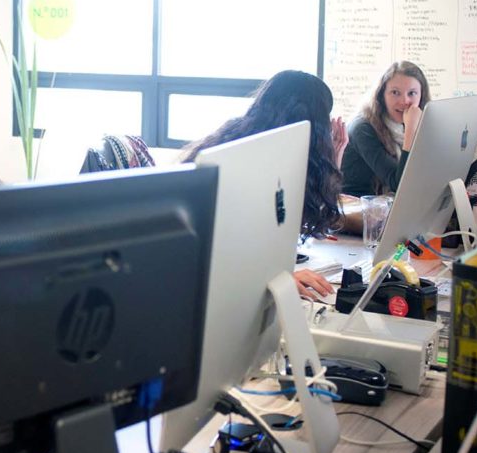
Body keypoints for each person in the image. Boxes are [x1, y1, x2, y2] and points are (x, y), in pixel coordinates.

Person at [179, 70, 348, 300]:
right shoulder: (243, 159)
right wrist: (277, 278)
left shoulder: (269, 150)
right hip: (206, 289)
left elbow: (286, 228)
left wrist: (333, 161)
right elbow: (223, 250)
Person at [341, 61, 431, 197]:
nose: (404, 101)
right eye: (395, 92)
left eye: (412, 93)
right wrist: (410, 133)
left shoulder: (412, 123)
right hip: (358, 210)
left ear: (421, 97)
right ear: (381, 95)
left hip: (388, 207)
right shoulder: (363, 128)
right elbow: (399, 184)